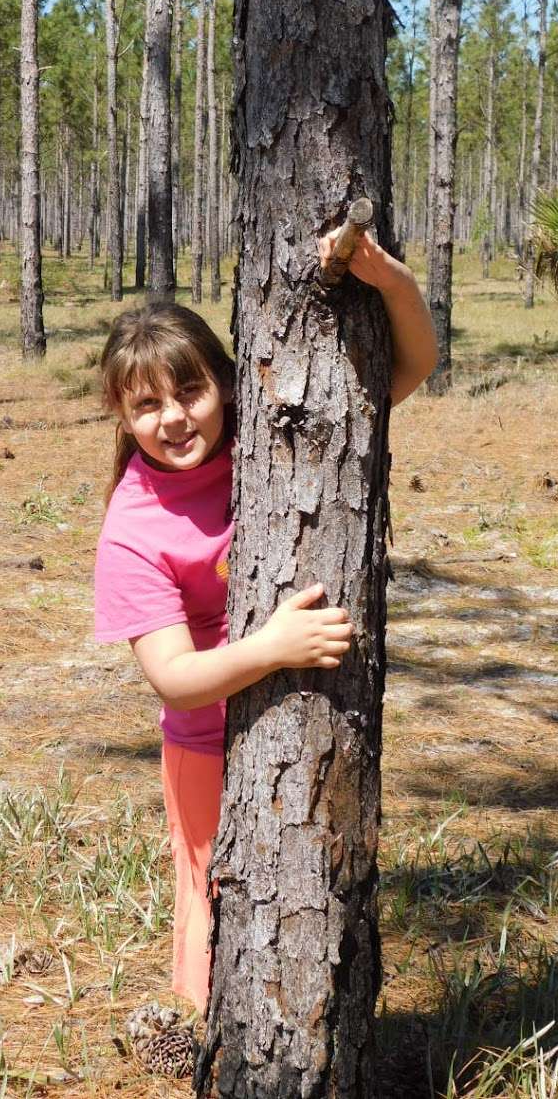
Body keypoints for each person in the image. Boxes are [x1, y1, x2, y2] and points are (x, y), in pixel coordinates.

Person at [93, 229, 438, 1016]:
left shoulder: (270, 434)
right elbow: (176, 681)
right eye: (147, 405)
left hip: (310, 727)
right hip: (208, 751)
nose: (175, 419)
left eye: (191, 393)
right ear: (120, 411)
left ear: (226, 380)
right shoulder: (133, 529)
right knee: (220, 920)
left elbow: (412, 365)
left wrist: (393, 282)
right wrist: (273, 647)